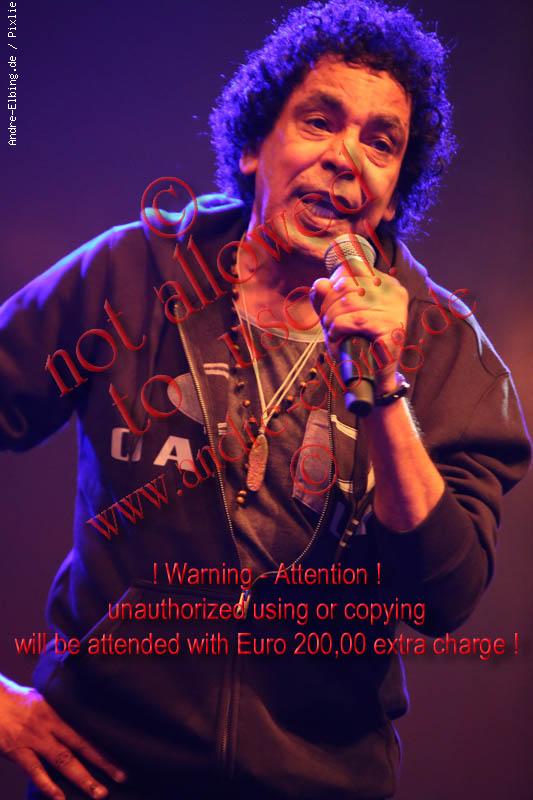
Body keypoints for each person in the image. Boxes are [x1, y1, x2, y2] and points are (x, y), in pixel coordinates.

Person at [0, 1, 530, 798]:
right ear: (253, 147)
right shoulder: (128, 274)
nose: (345, 158)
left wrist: (385, 387)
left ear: (393, 193)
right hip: (107, 771)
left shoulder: (446, 347)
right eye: (319, 121)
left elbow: (441, 597)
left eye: (380, 142)